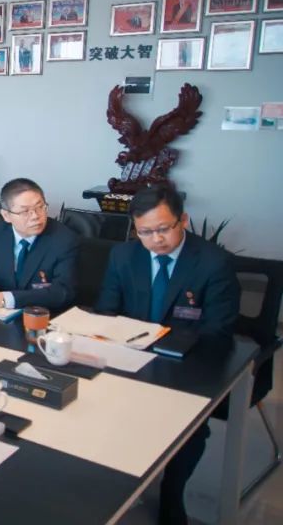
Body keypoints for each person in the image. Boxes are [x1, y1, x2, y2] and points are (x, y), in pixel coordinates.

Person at [95, 185, 238, 525]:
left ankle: (172, 493)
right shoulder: (123, 256)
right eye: (145, 232)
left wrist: (161, 347)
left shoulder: (213, 263)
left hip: (187, 362)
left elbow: (217, 332)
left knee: (189, 432)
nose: (155, 239)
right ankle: (113, 482)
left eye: (163, 229)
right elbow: (106, 312)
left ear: (182, 221)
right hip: (129, 357)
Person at [0, 178, 79, 311]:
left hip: (44, 315)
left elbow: (62, 292)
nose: (35, 216)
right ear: (6, 215)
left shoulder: (63, 239)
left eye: (40, 207)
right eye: (25, 211)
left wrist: (5, 299)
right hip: (0, 314)